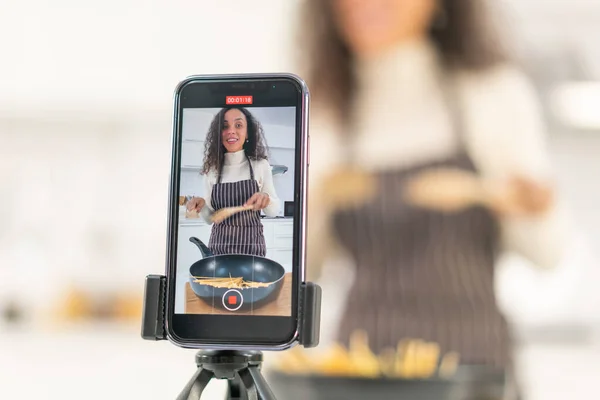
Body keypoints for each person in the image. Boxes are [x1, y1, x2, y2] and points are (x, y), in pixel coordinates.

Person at [293, 0, 571, 398]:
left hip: (473, 373)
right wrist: (309, 202)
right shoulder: (320, 112)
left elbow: (549, 255)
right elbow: (305, 270)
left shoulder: (490, 93)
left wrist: (535, 207)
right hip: (358, 374)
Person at [186, 107, 280, 257]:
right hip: (219, 252)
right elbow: (210, 219)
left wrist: (266, 199)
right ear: (218, 133)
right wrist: (202, 206)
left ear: (247, 132)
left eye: (238, 125)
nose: (231, 131)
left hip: (252, 252)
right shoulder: (212, 170)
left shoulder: (260, 165)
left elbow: (274, 212)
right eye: (225, 126)